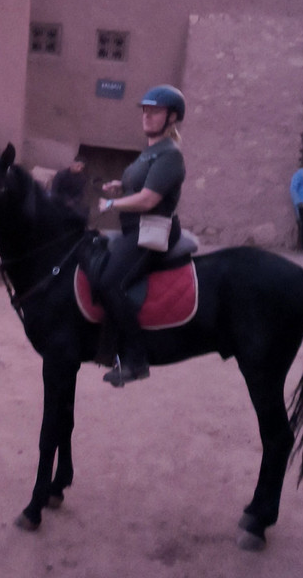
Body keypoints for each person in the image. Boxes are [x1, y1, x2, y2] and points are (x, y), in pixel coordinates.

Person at [95, 85, 187, 387]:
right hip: (133, 228)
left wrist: (112, 203)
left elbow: (148, 200)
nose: (146, 116)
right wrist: (119, 187)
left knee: (111, 282)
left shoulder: (170, 155)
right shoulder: (150, 153)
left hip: (153, 230)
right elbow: (137, 186)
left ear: (172, 117)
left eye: (155, 111)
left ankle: (136, 360)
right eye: (145, 110)